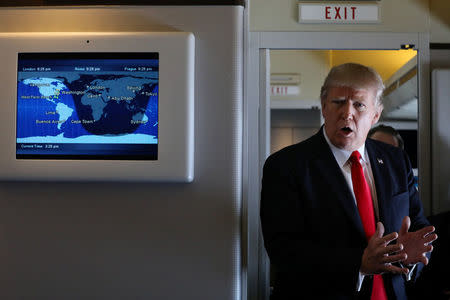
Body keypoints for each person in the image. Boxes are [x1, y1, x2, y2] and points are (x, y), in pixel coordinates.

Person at [260, 63, 437, 300]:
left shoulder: (395, 160)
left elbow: (417, 227)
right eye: (338, 102)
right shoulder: (285, 166)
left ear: (375, 115)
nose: (347, 113)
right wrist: (360, 264)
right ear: (324, 106)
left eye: (359, 105)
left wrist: (411, 256)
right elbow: (284, 250)